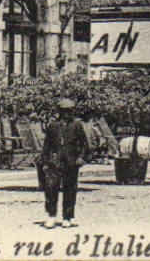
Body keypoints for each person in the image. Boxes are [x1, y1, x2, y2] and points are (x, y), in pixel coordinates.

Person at [38, 97, 90, 229]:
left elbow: (84, 144)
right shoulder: (53, 126)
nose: (67, 114)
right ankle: (51, 216)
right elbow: (47, 145)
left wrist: (81, 158)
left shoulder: (77, 125)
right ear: (59, 111)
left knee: (70, 189)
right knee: (51, 189)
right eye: (64, 111)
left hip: (71, 162)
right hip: (54, 162)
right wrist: (44, 161)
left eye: (69, 111)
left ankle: (67, 217)